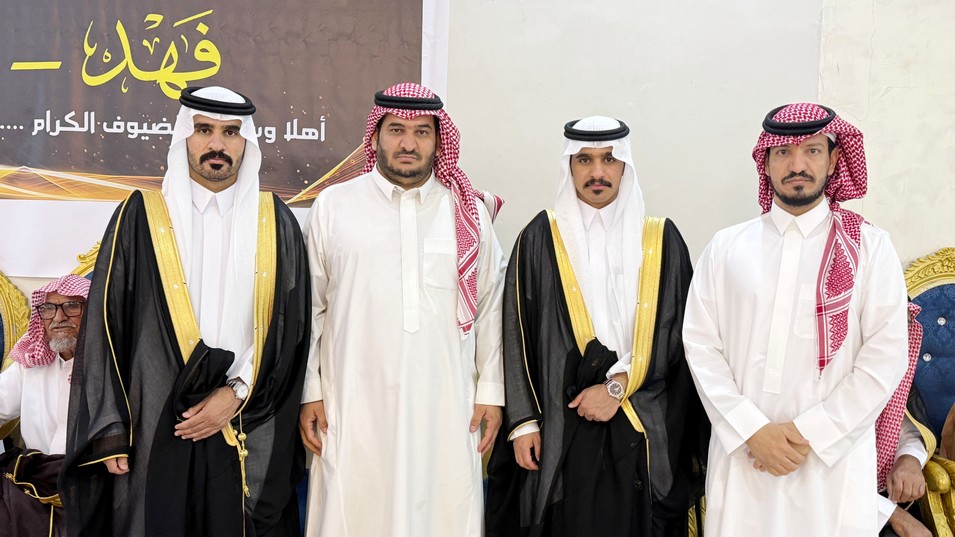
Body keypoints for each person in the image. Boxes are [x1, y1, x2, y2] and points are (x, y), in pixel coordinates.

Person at [61, 86, 310, 537]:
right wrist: (110, 428)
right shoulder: (140, 215)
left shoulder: (275, 221)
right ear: (184, 137)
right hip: (156, 418)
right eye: (204, 130)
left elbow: (290, 328)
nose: (217, 144)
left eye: (230, 132)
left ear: (246, 142)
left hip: (244, 417)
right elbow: (106, 323)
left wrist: (236, 393)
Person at [683, 102, 909, 536]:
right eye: (783, 152)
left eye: (812, 151)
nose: (797, 165)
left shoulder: (869, 247)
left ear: (834, 160)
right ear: (765, 162)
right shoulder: (727, 247)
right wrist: (752, 430)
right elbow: (700, 346)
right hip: (745, 459)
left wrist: (812, 433)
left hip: (832, 465)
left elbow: (885, 357)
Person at [299, 82, 506, 537]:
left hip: (446, 403)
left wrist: (491, 391)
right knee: (353, 508)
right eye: (396, 130)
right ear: (376, 136)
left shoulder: (467, 211)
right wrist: (310, 390)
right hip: (351, 400)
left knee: (444, 509)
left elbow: (491, 307)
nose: (408, 143)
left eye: (421, 132)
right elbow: (310, 308)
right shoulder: (335, 205)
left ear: (438, 140)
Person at [484, 116, 708, 536]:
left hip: (641, 417)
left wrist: (617, 386)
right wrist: (524, 423)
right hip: (561, 422)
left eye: (609, 159)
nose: (597, 172)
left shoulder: (660, 239)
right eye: (584, 160)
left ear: (625, 166)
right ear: (569, 166)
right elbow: (515, 333)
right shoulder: (540, 236)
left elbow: (678, 334)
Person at [0, 275, 89, 536]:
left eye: (72, 306)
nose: (59, 317)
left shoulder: (114, 365)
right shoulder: (31, 361)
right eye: (48, 308)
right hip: (35, 481)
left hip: (93, 480)